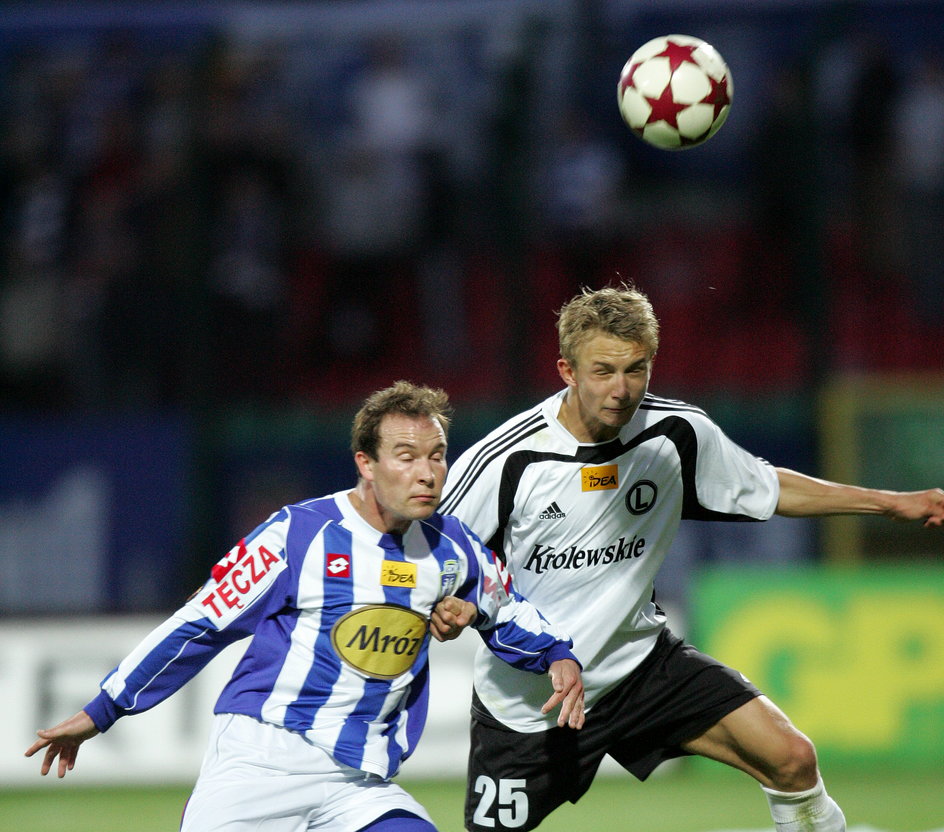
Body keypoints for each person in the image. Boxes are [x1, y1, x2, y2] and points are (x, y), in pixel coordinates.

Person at [438, 284, 944, 832]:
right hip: (532, 700)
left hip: (641, 668)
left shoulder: (676, 433)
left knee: (792, 758)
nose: (621, 389)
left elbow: (767, 488)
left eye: (636, 369)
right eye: (603, 371)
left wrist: (889, 503)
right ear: (567, 370)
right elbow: (434, 556)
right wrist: (445, 606)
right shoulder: (508, 459)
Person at [25, 381, 584, 832]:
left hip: (358, 785)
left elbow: (506, 609)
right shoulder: (297, 536)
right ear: (365, 463)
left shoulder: (454, 546)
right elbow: (198, 626)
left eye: (437, 456)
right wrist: (103, 710)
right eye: (406, 456)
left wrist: (557, 655)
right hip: (262, 766)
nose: (427, 472)